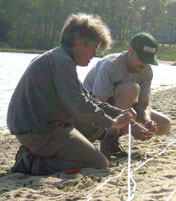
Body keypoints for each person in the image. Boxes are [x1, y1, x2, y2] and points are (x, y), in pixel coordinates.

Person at [7, 13, 136, 175]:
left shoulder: (63, 59)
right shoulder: (60, 61)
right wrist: (113, 123)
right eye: (94, 49)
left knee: (96, 125)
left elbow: (88, 100)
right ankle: (30, 162)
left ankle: (47, 153)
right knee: (98, 163)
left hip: (48, 124)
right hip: (37, 130)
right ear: (79, 44)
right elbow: (79, 105)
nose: (95, 55)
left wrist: (120, 114)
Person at [83, 32, 171, 159]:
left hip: (123, 108)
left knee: (164, 124)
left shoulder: (146, 71)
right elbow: (100, 104)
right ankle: (109, 140)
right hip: (93, 110)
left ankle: (118, 132)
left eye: (149, 60)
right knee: (132, 88)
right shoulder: (110, 65)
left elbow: (143, 104)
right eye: (142, 58)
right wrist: (130, 126)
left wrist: (147, 121)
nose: (145, 64)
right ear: (130, 51)